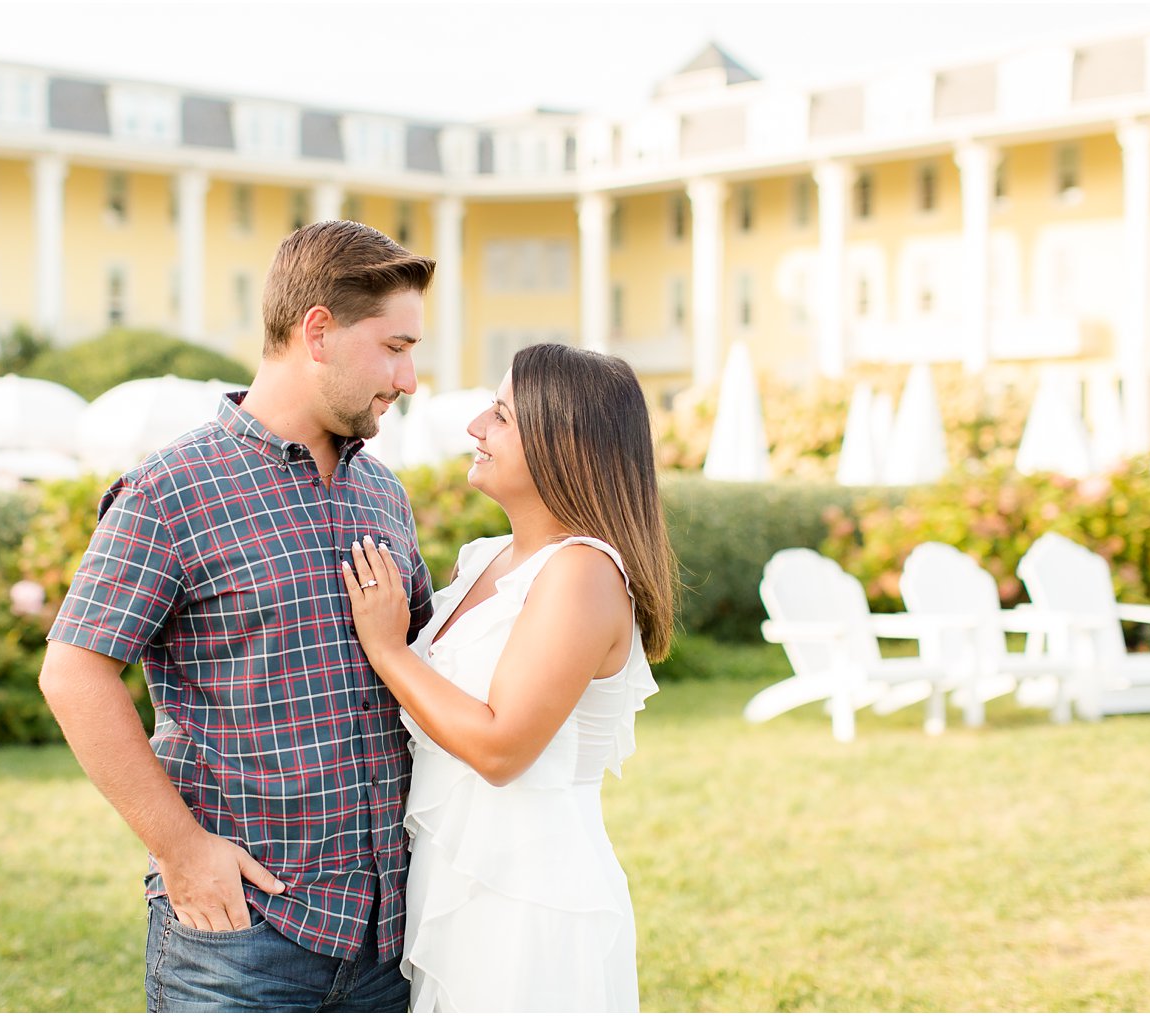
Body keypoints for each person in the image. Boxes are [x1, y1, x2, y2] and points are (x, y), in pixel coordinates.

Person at [39, 220, 437, 1013]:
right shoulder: (170, 491)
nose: (411, 377)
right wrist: (180, 850)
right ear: (317, 332)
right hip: (241, 942)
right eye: (394, 347)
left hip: (390, 939)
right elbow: (73, 672)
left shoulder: (383, 493)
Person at [342, 342, 675, 1013]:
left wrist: (390, 652)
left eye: (500, 415)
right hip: (456, 875)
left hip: (530, 896)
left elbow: (501, 749)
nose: (475, 430)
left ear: (564, 443)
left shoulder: (582, 574)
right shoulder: (488, 559)